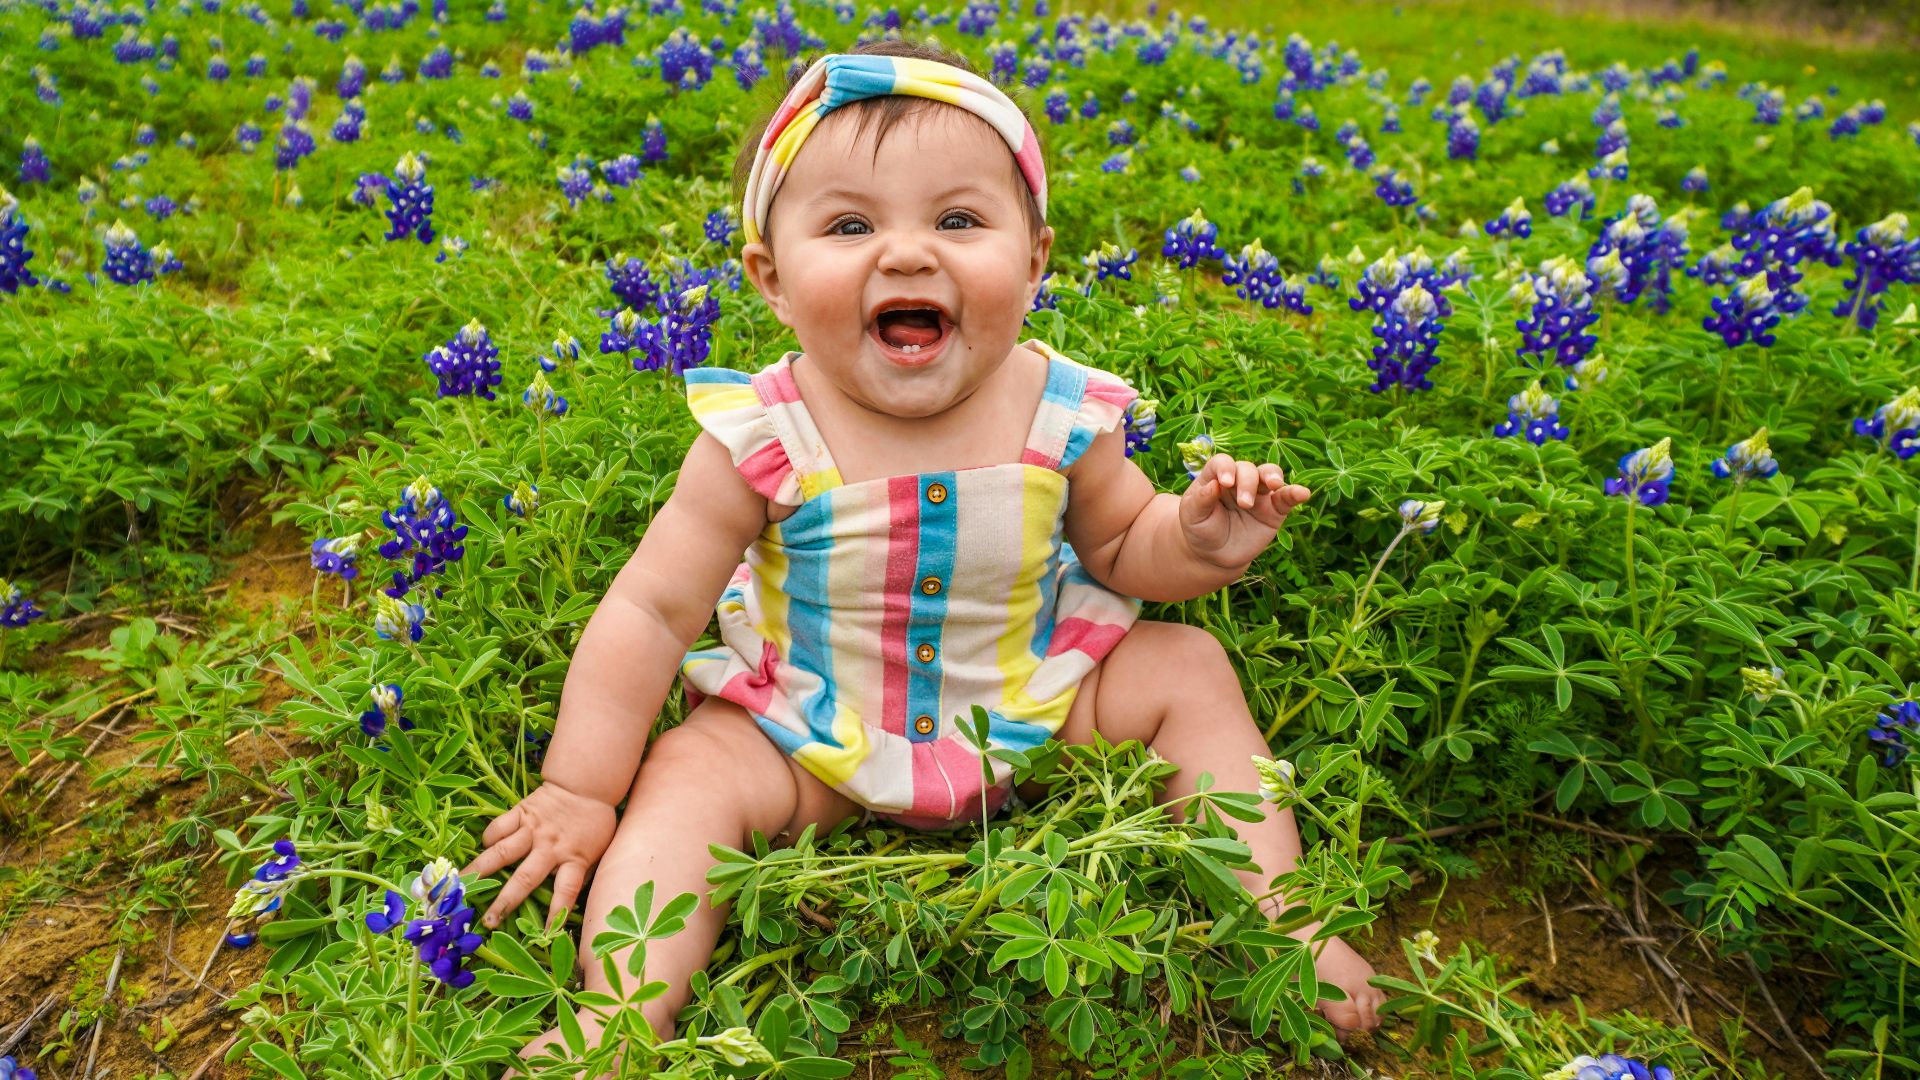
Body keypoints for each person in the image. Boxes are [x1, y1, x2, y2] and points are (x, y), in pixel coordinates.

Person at [464, 38, 1385, 1073]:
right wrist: (583, 785)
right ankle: (621, 1013)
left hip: (1030, 696)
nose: (908, 254)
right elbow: (651, 611)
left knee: (1188, 668)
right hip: (813, 725)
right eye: (850, 225)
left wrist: (1201, 540)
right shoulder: (760, 436)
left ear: (1035, 259)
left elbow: (1126, 546)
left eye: (958, 220)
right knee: (687, 774)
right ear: (769, 278)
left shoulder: (1063, 409)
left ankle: (1287, 922)